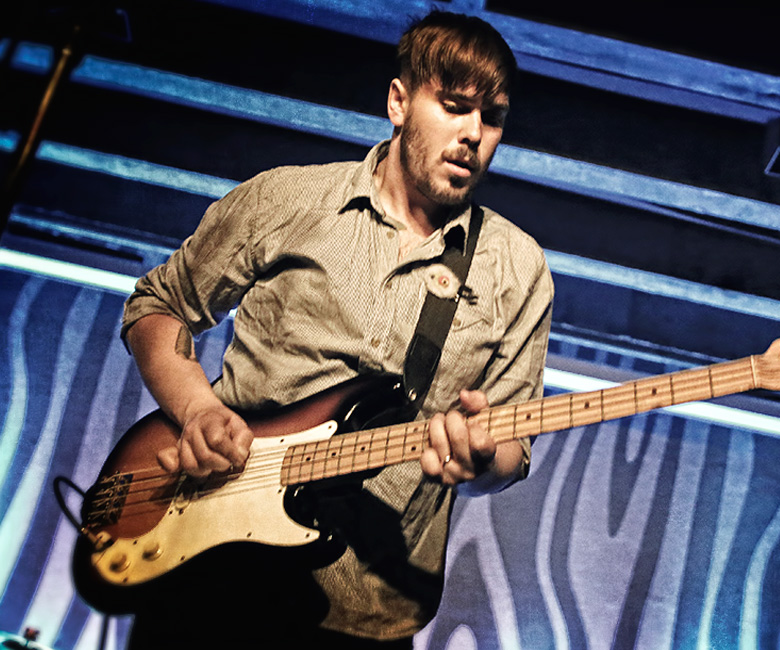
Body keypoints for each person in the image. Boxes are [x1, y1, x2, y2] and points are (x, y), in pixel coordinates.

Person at [117, 10, 553, 649]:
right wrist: (198, 411)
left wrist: (481, 456)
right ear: (399, 102)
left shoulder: (518, 270)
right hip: (209, 580)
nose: (472, 135)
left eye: (492, 119)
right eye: (454, 106)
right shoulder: (286, 201)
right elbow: (158, 305)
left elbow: (512, 449)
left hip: (362, 620)